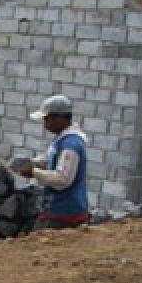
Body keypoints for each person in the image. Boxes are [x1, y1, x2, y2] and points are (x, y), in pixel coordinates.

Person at [16, 94, 90, 229]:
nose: (45, 124)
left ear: (59, 118)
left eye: (47, 119)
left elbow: (62, 179)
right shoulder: (62, 139)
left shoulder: (71, 145)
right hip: (58, 210)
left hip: (65, 214)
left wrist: (34, 172)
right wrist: (35, 163)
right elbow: (52, 159)